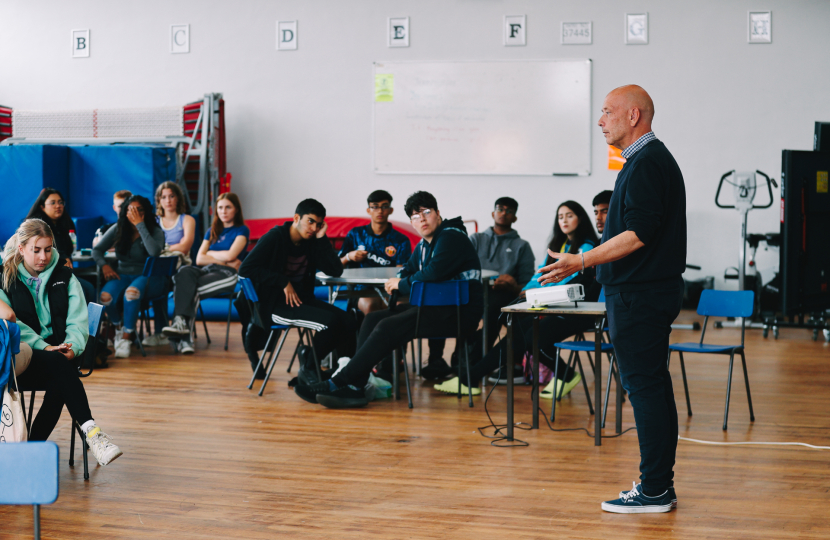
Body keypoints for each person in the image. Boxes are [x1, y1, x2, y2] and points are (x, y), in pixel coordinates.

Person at [543, 85, 686, 513]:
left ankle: (655, 489)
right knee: (652, 387)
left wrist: (581, 260)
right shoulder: (646, 160)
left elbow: (637, 234)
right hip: (644, 294)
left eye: (607, 112)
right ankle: (659, 485)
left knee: (644, 388)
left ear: (634, 116)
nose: (600, 121)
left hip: (639, 297)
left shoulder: (646, 163)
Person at [293, 191, 483, 409]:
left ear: (438, 214)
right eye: (414, 216)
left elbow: (433, 273)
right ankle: (356, 387)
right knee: (373, 318)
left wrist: (400, 284)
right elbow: (407, 270)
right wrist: (401, 279)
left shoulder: (451, 236)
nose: (421, 219)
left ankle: (338, 382)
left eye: (426, 213)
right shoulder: (423, 245)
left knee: (388, 325)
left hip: (460, 312)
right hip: (438, 308)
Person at [434, 200, 599, 397]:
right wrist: (528, 291)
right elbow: (540, 275)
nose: (564, 220)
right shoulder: (559, 244)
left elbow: (568, 280)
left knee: (522, 332)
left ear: (581, 219)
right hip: (547, 302)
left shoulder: (587, 247)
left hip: (566, 305)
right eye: (560, 216)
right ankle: (474, 376)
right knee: (512, 324)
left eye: (569, 216)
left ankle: (474, 377)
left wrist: (536, 294)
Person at [0, 219, 122, 466]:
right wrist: (44, 346)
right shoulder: (5, 278)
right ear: (21, 249)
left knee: (60, 375)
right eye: (36, 250)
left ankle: (30, 453)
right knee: (62, 374)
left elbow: (78, 321)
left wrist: (72, 346)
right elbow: (14, 327)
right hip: (22, 361)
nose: (43, 256)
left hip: (62, 357)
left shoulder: (65, 276)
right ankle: (92, 434)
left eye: (47, 249)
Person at [238, 198, 355, 380]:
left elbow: (336, 270)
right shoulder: (275, 237)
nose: (314, 228)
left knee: (348, 320)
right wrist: (283, 281)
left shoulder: (312, 241)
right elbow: (245, 269)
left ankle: (344, 373)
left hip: (301, 300)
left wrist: (322, 238)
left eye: (318, 224)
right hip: (274, 305)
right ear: (296, 218)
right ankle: (309, 367)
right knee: (330, 322)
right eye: (310, 221)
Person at [422, 196, 535, 381]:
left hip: (502, 294)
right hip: (469, 290)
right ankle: (438, 361)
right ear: (493, 213)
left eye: (509, 211)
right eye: (500, 209)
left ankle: (471, 364)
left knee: (491, 309)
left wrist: (513, 285)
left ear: (515, 218)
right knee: (440, 302)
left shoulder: (522, 246)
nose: (503, 213)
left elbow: (527, 286)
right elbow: (458, 266)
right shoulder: (476, 239)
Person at [163, 193, 249, 354]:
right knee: (184, 271)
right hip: (207, 270)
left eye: (228, 207)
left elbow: (231, 256)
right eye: (220, 207)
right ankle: (181, 325)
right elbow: (199, 258)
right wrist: (221, 257)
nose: (223, 211)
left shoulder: (242, 230)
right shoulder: (212, 230)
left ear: (236, 209)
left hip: (227, 274)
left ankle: (184, 337)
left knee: (190, 290)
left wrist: (211, 253)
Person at [92, 195, 165, 359]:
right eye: (131, 210)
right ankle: (118, 327)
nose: (135, 213)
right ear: (125, 212)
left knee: (131, 293)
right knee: (105, 297)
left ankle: (127, 337)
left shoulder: (155, 230)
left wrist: (140, 225)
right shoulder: (119, 228)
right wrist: (104, 265)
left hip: (147, 275)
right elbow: (96, 250)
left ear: (146, 212)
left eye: (139, 210)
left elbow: (154, 252)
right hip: (123, 273)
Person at [138, 182, 197, 348]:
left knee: (183, 277)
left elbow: (185, 246)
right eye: (163, 197)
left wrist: (163, 247)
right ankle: (160, 332)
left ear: (178, 198)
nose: (168, 200)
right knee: (156, 279)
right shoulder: (155, 221)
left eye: (171, 196)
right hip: (160, 268)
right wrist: (168, 247)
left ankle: (182, 329)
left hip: (180, 266)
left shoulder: (187, 220)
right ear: (158, 200)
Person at [339, 190, 412, 315]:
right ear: (369, 210)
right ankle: (367, 334)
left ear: (391, 210)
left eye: (384, 206)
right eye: (375, 207)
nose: (380, 211)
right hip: (361, 291)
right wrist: (348, 257)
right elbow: (337, 266)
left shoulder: (401, 240)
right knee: (370, 305)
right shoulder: (355, 234)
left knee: (400, 306)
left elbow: (401, 272)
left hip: (390, 290)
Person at [25, 188, 96, 303]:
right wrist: (62, 257)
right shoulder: (36, 225)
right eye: (52, 203)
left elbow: (69, 249)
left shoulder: (65, 223)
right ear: (42, 206)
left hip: (62, 271)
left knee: (89, 289)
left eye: (60, 202)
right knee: (82, 290)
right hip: (41, 274)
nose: (58, 206)